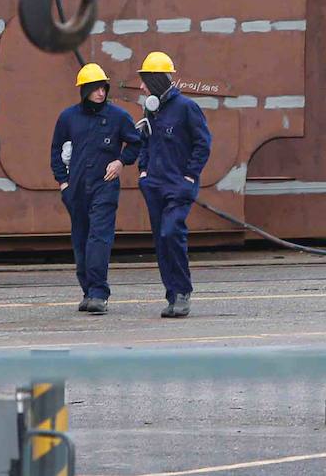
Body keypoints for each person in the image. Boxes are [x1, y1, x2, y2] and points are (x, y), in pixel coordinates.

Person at [50, 63, 143, 314]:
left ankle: (99, 294)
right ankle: (87, 291)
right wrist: (64, 183)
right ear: (84, 90)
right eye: (95, 88)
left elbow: (136, 143)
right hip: (76, 189)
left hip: (105, 186)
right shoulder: (68, 118)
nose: (100, 93)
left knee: (98, 239)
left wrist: (120, 161)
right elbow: (56, 151)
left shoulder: (118, 117)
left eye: (103, 88)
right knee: (80, 240)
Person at [136, 50, 211, 318]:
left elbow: (203, 144)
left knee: (171, 233)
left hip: (178, 186)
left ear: (157, 79)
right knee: (161, 240)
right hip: (154, 186)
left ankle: (182, 292)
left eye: (145, 80)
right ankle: (172, 296)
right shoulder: (151, 109)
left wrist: (190, 176)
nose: (142, 86)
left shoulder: (187, 108)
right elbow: (145, 140)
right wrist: (143, 172)